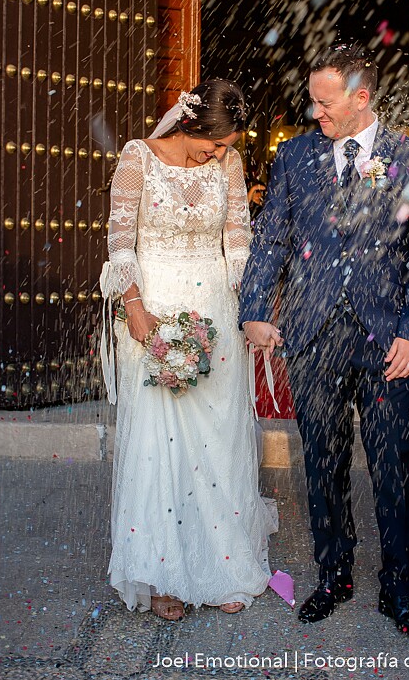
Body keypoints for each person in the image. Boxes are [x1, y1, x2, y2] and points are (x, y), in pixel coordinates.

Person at [240, 43, 409, 637]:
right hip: (312, 336)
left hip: (387, 345)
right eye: (311, 100)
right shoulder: (295, 157)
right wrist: (255, 308)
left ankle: (399, 588)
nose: (314, 113)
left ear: (362, 99)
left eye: (324, 102)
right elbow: (272, 236)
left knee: (393, 466)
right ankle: (334, 575)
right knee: (321, 462)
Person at [99, 79, 277, 621]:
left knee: (216, 441)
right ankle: (163, 573)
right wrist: (133, 306)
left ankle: (223, 563)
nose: (219, 154)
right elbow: (119, 238)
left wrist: (248, 308)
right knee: (160, 445)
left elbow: (239, 238)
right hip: (154, 310)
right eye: (214, 143)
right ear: (189, 124)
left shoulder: (227, 166)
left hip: (216, 310)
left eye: (227, 146)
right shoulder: (138, 157)